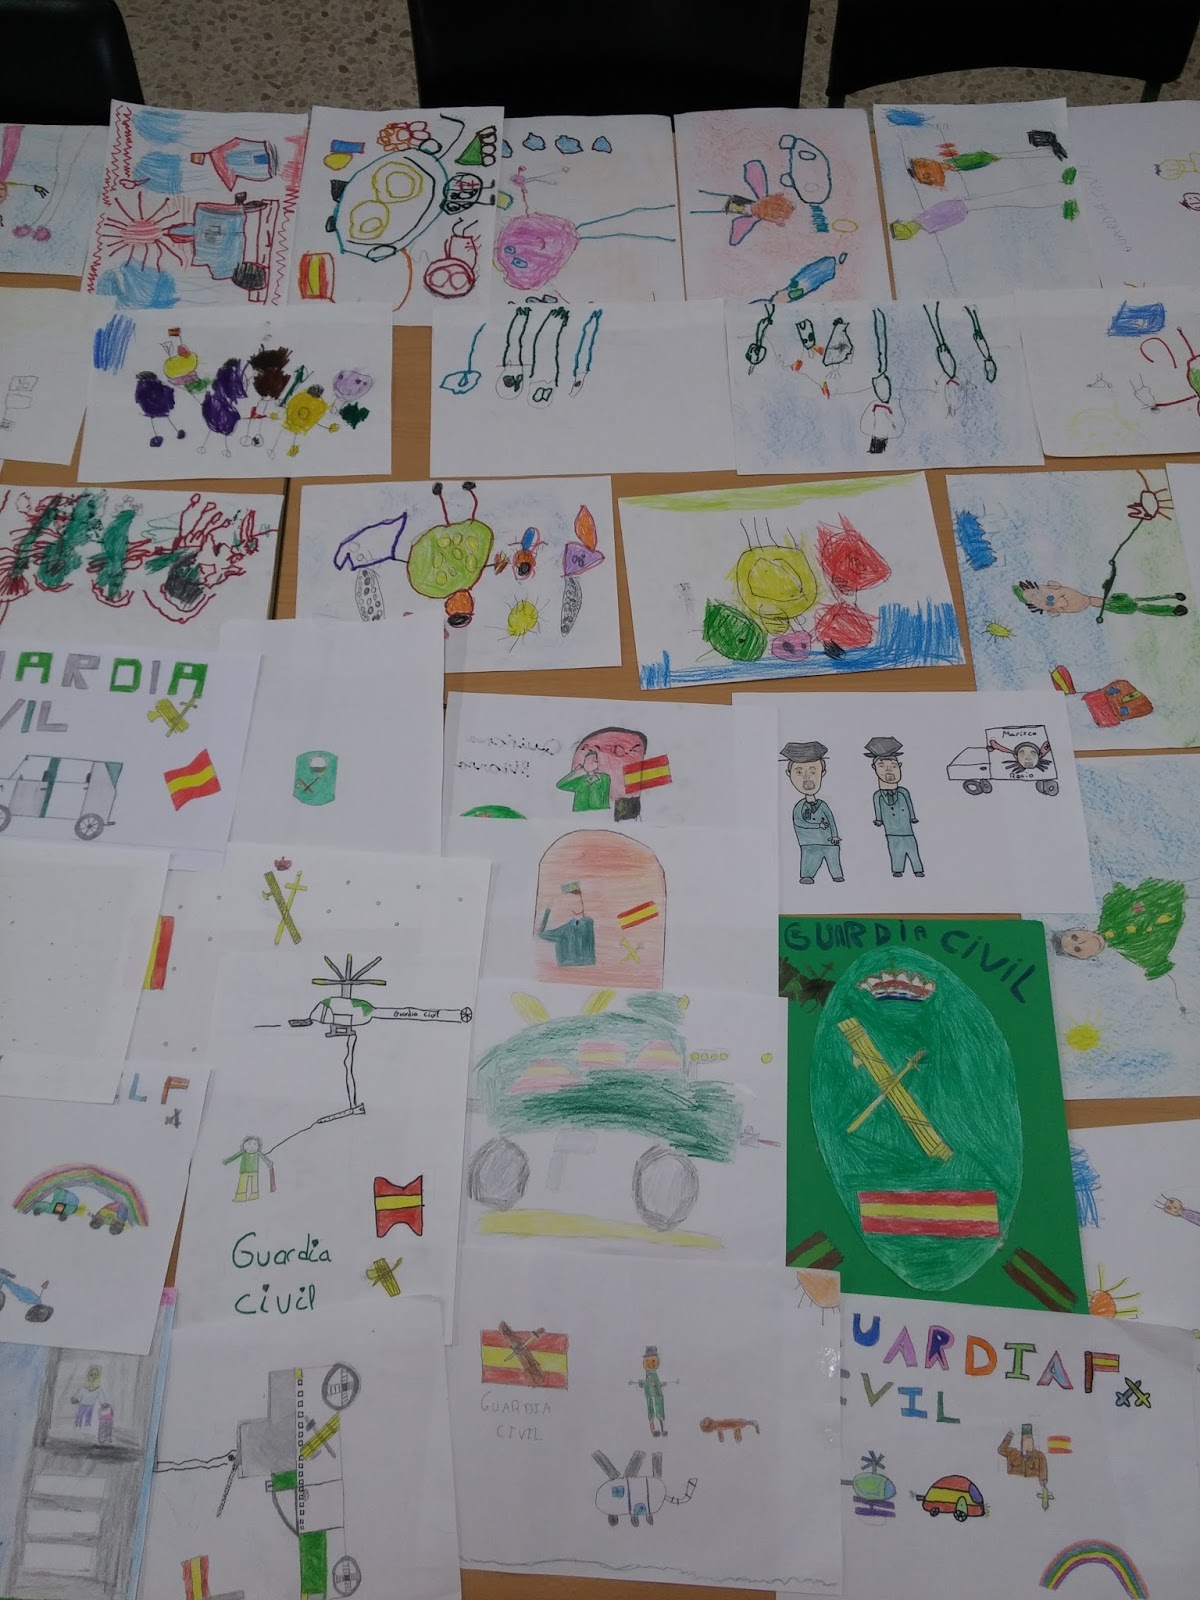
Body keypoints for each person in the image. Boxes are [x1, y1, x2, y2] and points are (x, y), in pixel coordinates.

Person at [1052, 877, 1185, 981]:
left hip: (1172, 896)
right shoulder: (1134, 953)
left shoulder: (1110, 913)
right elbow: (1156, 963)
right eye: (1077, 949)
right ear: (1084, 957)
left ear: (1081, 929)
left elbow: (1121, 893)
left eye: (1075, 937)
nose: (1082, 942)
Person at [781, 741, 843, 885]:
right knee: (809, 859)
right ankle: (807, 876)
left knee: (833, 858)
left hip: (829, 841)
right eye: (799, 772)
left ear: (822, 773)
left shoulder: (823, 805)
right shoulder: (799, 807)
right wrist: (818, 825)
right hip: (808, 842)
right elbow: (799, 822)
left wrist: (834, 835)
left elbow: (831, 820)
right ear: (789, 775)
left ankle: (837, 875)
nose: (807, 777)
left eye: (813, 771)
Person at [865, 736, 923, 878]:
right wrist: (879, 820)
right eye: (882, 766)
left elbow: (909, 805)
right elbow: (877, 809)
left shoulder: (903, 792)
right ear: (874, 768)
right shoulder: (878, 795)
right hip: (891, 830)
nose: (888, 770)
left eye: (893, 765)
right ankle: (897, 869)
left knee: (912, 848)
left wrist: (913, 817)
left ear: (899, 766)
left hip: (906, 829)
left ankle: (918, 869)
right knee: (895, 849)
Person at [1015, 580, 1187, 620]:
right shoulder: (1047, 604)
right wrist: (1055, 608)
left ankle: (1171, 598)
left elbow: (1058, 591)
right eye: (1031, 599)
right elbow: (1058, 609)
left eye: (1033, 593)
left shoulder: (1049, 589)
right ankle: (1171, 609)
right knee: (1135, 606)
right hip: (1090, 603)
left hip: (1091, 601)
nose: (1035, 597)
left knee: (1134, 603)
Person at [537, 886, 596, 968]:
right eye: (573, 902)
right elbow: (541, 934)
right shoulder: (587, 924)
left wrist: (548, 910)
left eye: (578, 901)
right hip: (576, 968)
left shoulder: (567, 929)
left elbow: (541, 933)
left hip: (571, 967)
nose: (578, 904)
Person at [629, 1345, 676, 1438]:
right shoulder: (649, 1374)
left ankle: (662, 1430)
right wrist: (641, 1383)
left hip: (658, 1395)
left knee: (659, 1412)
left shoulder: (654, 1374)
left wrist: (661, 1384)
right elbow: (647, 1383)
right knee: (651, 1413)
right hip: (650, 1395)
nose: (652, 1363)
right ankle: (653, 1430)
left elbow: (655, 1383)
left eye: (654, 1361)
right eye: (648, 1361)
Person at [223, 1135, 275, 1202]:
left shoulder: (258, 1153)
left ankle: (254, 1195)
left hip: (254, 1171)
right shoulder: (243, 1152)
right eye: (249, 1143)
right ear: (244, 1145)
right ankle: (240, 1197)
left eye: (255, 1144)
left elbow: (264, 1158)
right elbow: (234, 1156)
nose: (252, 1146)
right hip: (244, 1171)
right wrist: (227, 1161)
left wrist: (269, 1163)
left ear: (259, 1146)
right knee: (242, 1184)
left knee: (254, 1185)